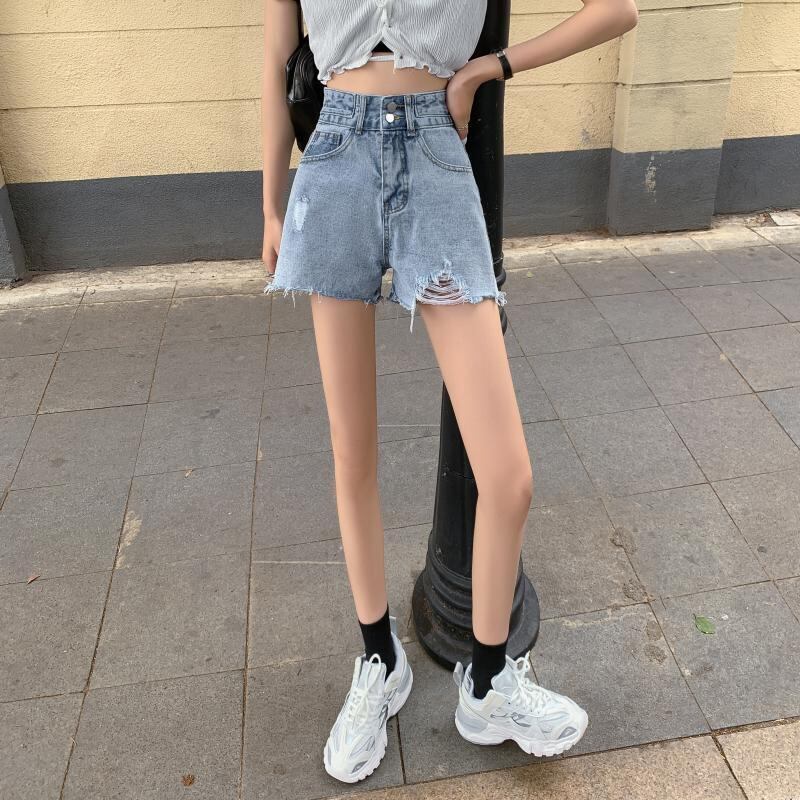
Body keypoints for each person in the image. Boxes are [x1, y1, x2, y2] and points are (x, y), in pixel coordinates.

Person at [261, 0, 638, 784]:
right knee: (351, 454)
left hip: (435, 157)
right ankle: (379, 659)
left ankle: (490, 682)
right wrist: (269, 204)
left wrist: (489, 68)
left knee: (508, 476)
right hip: (333, 161)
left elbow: (616, 11)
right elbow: (276, 60)